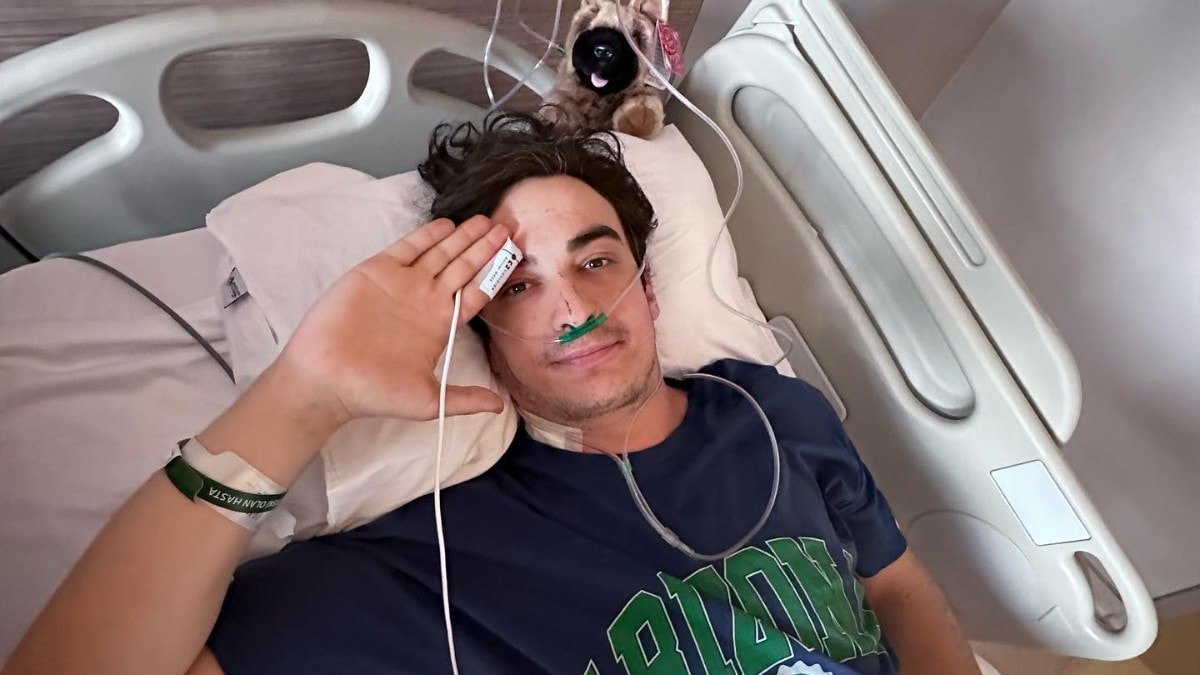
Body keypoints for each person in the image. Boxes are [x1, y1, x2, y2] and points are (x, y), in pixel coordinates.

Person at [4, 113, 981, 675]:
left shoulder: (774, 412)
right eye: (518, 285)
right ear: (477, 333)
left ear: (646, 289)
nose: (575, 308)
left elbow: (895, 584)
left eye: (596, 261)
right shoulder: (435, 558)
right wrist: (301, 395)